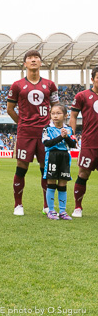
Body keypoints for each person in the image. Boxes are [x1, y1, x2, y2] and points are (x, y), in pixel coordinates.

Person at [7, 50, 59, 216]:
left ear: (41, 62)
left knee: (46, 169)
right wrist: (23, 123)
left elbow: (56, 108)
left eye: (36, 58)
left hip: (45, 134)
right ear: (25, 63)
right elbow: (10, 109)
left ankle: (46, 205)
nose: (33, 60)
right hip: (25, 133)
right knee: (21, 168)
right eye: (29, 58)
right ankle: (18, 205)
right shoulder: (17, 85)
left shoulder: (50, 85)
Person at [68, 66, 98, 218]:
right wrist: (72, 134)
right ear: (92, 79)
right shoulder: (82, 96)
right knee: (83, 173)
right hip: (89, 143)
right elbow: (73, 116)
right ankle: (78, 207)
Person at [42, 104, 76, 220]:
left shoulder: (69, 129)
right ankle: (51, 211)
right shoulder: (47, 128)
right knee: (51, 183)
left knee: (63, 184)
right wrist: (61, 137)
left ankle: (62, 211)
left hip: (64, 157)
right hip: (52, 156)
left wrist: (66, 136)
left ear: (65, 115)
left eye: (58, 113)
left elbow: (73, 144)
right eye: (53, 113)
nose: (55, 116)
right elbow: (47, 143)